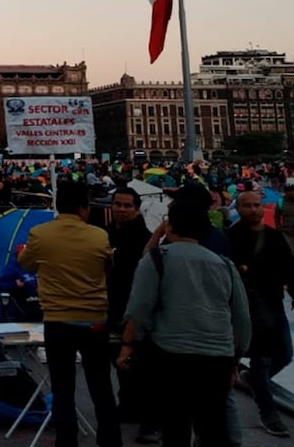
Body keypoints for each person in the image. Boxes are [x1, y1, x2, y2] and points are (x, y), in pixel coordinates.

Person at [120, 191, 250, 447]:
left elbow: (139, 308)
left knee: (176, 427)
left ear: (170, 226)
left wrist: (128, 344)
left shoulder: (157, 259)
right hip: (218, 357)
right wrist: (235, 357)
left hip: (172, 356)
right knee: (213, 428)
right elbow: (241, 318)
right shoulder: (225, 265)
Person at [18, 181, 121, 447]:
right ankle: (110, 441)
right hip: (94, 318)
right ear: (83, 208)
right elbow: (107, 268)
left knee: (62, 389)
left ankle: (67, 442)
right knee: (102, 387)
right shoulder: (99, 236)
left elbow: (25, 263)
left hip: (58, 320)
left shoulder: (39, 234)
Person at [228, 189, 294, 437]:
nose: (254, 210)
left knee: (285, 355)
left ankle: (254, 381)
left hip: (273, 304)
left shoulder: (274, 238)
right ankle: (268, 412)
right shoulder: (231, 238)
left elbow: (290, 269)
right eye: (248, 206)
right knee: (262, 361)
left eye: (257, 205)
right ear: (239, 209)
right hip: (248, 309)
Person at [105, 187, 156, 442]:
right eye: (117, 204)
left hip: (135, 306)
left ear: (137, 208)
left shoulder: (145, 238)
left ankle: (146, 415)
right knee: (120, 359)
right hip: (113, 304)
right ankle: (127, 405)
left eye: (127, 205)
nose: (121, 209)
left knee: (139, 362)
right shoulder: (107, 234)